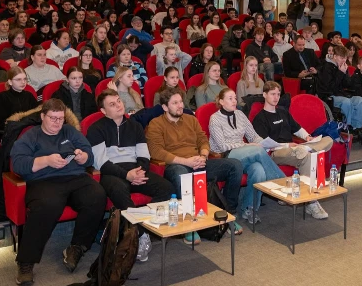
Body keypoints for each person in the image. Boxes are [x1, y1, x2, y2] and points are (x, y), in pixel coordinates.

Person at [10, 99, 106, 285]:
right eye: (53, 118)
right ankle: (26, 262)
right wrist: (46, 161)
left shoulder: (69, 131)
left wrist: (82, 157)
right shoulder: (31, 135)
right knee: (47, 205)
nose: (57, 123)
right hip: (44, 181)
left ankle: (77, 247)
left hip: (75, 177)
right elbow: (18, 164)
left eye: (61, 118)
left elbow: (88, 154)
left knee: (97, 195)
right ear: (42, 116)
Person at [146, 87, 244, 244]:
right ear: (164, 107)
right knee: (181, 175)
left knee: (235, 166)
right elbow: (156, 152)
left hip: (198, 161)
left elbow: (203, 140)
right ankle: (188, 226)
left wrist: (203, 156)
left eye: (181, 102)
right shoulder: (156, 124)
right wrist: (186, 161)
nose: (180, 106)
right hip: (177, 165)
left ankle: (227, 215)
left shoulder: (190, 119)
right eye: (175, 103)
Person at [87, 88, 175, 261]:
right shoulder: (96, 129)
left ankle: (144, 228)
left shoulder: (135, 126)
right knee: (119, 191)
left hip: (135, 170)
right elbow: (101, 163)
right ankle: (141, 235)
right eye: (112, 104)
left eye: (119, 101)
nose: (118, 105)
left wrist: (140, 172)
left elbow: (144, 156)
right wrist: (127, 175)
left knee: (166, 188)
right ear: (103, 111)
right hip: (112, 173)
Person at [252, 81, 334, 218]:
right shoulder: (260, 118)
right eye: (272, 94)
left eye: (278, 94)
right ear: (264, 95)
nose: (276, 97)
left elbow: (297, 128)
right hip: (276, 152)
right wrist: (287, 145)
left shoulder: (283, 112)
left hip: (295, 150)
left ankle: (310, 199)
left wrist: (307, 137)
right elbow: (264, 145)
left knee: (328, 140)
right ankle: (311, 202)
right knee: (304, 154)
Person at [208, 88, 285, 223]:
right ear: (221, 101)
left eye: (235, 98)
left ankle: (249, 208)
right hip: (226, 157)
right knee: (258, 151)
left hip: (244, 154)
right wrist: (246, 146)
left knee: (259, 170)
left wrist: (265, 143)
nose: (234, 101)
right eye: (230, 98)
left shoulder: (240, 114)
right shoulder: (215, 119)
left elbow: (253, 136)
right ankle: (282, 184)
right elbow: (222, 146)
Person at [317, 45, 362, 143]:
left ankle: (357, 128)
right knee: (346, 101)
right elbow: (330, 88)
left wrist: (345, 73)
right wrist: (340, 73)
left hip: (341, 94)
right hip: (329, 95)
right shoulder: (326, 67)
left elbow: (348, 85)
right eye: (341, 58)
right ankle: (348, 127)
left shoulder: (342, 67)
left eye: (345, 58)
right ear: (335, 56)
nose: (344, 60)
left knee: (359, 100)